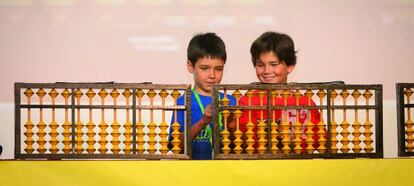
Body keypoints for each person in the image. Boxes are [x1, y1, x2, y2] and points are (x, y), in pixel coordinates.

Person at [238, 31, 321, 153]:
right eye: (260, 65)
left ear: (290, 66)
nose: (267, 71)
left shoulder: (305, 102)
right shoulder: (247, 101)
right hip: (260, 168)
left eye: (274, 64)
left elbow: (320, 140)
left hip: (299, 168)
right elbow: (240, 141)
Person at [169, 32, 236, 160]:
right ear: (190, 66)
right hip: (193, 173)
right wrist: (203, 121)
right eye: (205, 68)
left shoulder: (231, 101)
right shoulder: (183, 102)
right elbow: (175, 146)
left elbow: (241, 146)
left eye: (218, 69)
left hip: (225, 171)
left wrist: (231, 125)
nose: (212, 75)